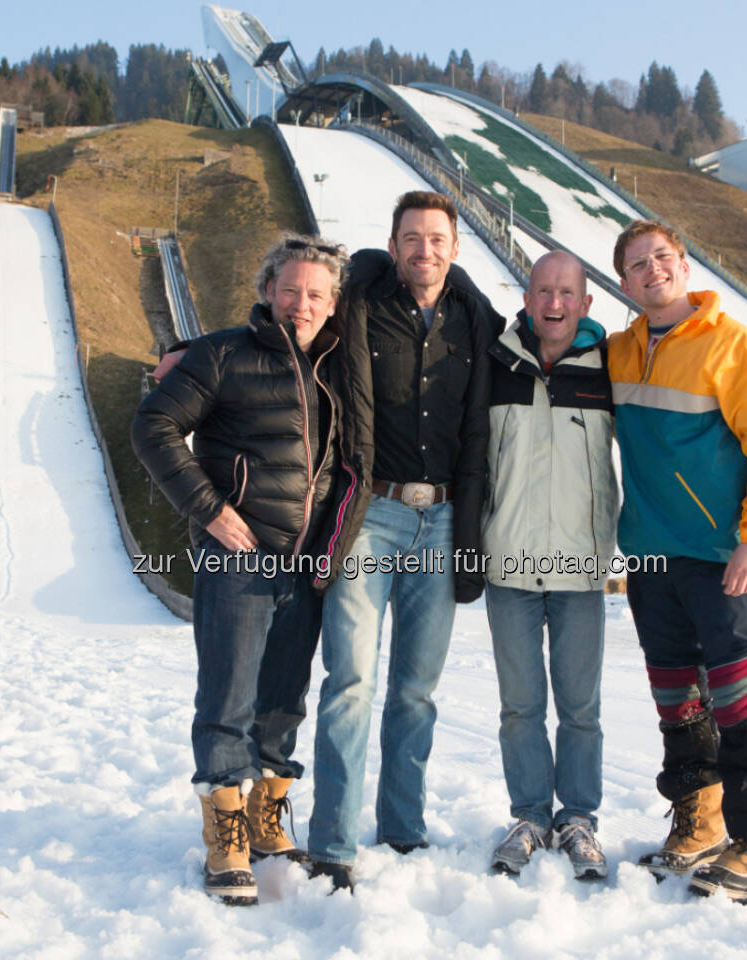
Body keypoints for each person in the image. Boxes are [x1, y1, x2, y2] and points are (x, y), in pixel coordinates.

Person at [131, 234, 346, 906]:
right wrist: (211, 511)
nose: (300, 304)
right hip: (240, 559)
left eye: (316, 294)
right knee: (228, 698)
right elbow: (155, 425)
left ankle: (268, 820)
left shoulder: (338, 367)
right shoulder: (223, 354)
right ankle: (225, 839)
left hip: (307, 560)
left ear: (334, 303)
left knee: (284, 698)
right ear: (267, 291)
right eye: (290, 290)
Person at [305, 191, 504, 892]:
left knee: (416, 690)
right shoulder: (361, 302)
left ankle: (402, 827)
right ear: (392, 246)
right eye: (412, 238)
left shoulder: (473, 320)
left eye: (438, 239)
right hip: (371, 516)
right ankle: (331, 840)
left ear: (455, 248)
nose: (425, 250)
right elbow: (292, 308)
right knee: (351, 681)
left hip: (443, 521)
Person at [606, 220, 747, 904]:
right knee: (676, 698)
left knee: (738, 698)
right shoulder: (620, 353)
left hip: (723, 555)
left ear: (684, 266)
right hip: (652, 556)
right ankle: (701, 820)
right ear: (625, 284)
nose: (652, 269)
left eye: (662, 257)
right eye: (637, 264)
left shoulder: (734, 345)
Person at [482, 251, 618, 881]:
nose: (555, 303)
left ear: (586, 303)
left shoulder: (609, 370)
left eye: (567, 293)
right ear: (528, 297)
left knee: (580, 705)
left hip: (579, 569)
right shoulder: (499, 362)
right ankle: (531, 814)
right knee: (519, 705)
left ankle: (579, 818)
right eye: (543, 291)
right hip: (508, 564)